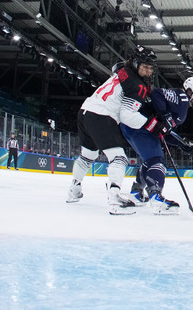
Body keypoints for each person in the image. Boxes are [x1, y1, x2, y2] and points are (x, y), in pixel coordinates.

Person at [65, 46, 164, 214]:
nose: (147, 71)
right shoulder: (138, 85)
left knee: (88, 155)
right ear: (135, 63)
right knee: (119, 158)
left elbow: (119, 69)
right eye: (144, 67)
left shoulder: (124, 70)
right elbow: (127, 116)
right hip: (102, 115)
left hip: (85, 111)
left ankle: (74, 189)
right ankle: (114, 198)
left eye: (150, 68)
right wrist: (153, 125)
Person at [120, 76, 193, 214]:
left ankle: (136, 193)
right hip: (140, 126)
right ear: (190, 90)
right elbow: (156, 93)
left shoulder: (182, 106)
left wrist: (183, 144)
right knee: (157, 161)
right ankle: (156, 199)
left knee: (150, 161)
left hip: (138, 127)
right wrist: (166, 115)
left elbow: (165, 133)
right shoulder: (182, 97)